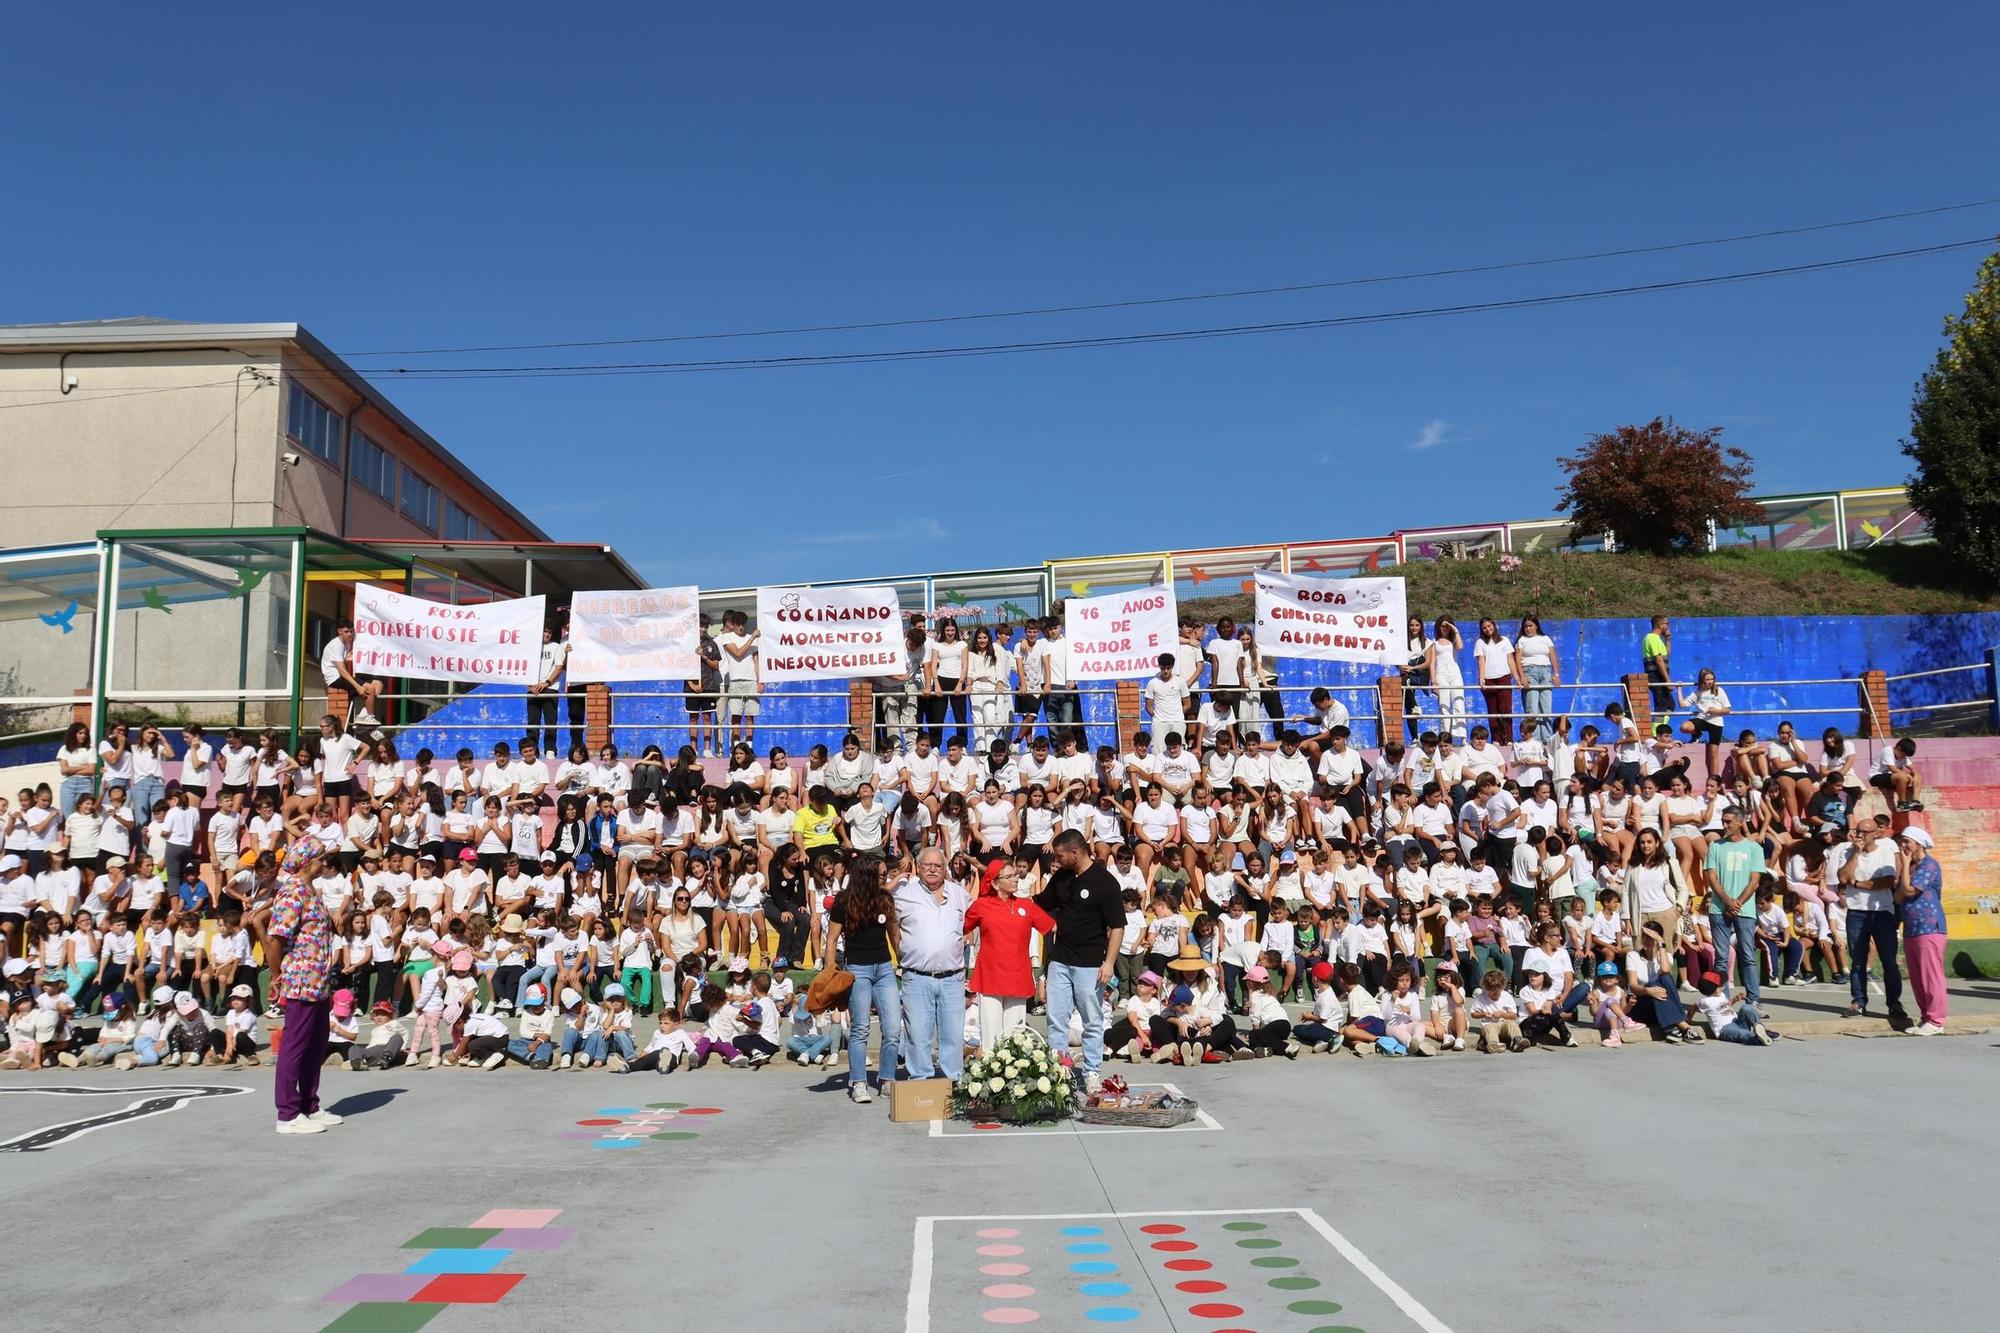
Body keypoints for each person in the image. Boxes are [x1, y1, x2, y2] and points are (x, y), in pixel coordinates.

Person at [1033, 829, 1124, 1090]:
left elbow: (1117, 926)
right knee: (1055, 1017)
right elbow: (1039, 904)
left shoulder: (1105, 882)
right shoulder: (1061, 877)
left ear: (1076, 852)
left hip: (1090, 963)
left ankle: (1092, 1071)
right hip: (1060, 959)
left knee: (1092, 1020)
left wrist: (1108, 962)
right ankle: (1058, 1069)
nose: (1057, 860)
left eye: (1061, 855)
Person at [264, 836, 343, 1135]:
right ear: (307, 861)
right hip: (300, 981)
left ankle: (309, 1104)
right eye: (321, 857)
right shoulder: (293, 891)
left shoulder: (311, 890)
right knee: (295, 1046)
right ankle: (287, 1113)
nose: (325, 862)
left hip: (319, 981)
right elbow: (274, 938)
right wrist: (275, 976)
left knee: (315, 1044)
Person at [820, 856, 901, 1104]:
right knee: (861, 1028)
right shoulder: (844, 901)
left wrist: (904, 964)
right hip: (858, 970)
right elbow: (832, 939)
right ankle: (858, 1081)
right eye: (881, 874)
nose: (885, 878)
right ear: (866, 875)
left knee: (893, 1029)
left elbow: (894, 935)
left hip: (885, 969)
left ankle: (887, 1079)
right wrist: (829, 969)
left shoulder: (885, 898)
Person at [894, 847, 970, 1082]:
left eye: (938, 865)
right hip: (917, 977)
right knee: (917, 1034)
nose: (933, 870)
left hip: (952, 978)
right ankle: (920, 1082)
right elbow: (891, 928)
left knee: (953, 1035)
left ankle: (953, 1081)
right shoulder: (904, 894)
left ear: (945, 868)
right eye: (927, 865)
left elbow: (971, 927)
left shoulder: (960, 894)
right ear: (918, 867)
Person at [964, 858, 1053, 1053]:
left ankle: (1014, 1077)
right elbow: (961, 928)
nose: (1016, 879)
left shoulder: (1026, 905)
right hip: (990, 977)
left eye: (1015, 875)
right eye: (1010, 876)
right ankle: (988, 1076)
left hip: (1018, 977)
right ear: (995, 883)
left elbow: (1052, 927)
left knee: (1015, 1034)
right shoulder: (981, 905)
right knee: (991, 1034)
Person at [1836, 819, 1906, 1025]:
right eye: (1858, 831)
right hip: (1856, 912)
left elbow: (1885, 882)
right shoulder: (1849, 852)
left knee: (1889, 961)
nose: (1860, 835)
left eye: (1865, 832)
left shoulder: (1884, 852)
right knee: (1857, 961)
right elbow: (1842, 877)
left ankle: (1894, 1003)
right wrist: (1856, 854)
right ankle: (1858, 1001)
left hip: (1881, 912)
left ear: (1875, 834)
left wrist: (1857, 883)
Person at [1702, 808, 1765, 1007]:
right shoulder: (1715, 846)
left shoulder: (1754, 848)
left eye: (1729, 821)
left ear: (1740, 822)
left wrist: (1737, 902)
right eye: (1723, 821)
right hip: (1719, 910)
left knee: (1747, 955)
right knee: (1721, 957)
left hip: (1745, 911)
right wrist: (1727, 900)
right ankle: (1722, 1000)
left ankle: (1752, 1000)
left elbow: (1755, 880)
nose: (1725, 825)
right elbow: (1711, 877)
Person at [1895, 827, 1947, 1035]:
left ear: (1919, 843)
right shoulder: (1912, 868)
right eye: (1902, 841)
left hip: (1929, 927)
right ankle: (1927, 1017)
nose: (1903, 845)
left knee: (1931, 975)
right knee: (1917, 977)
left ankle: (1936, 1020)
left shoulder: (1929, 865)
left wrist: (1905, 865)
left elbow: (1908, 890)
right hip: (1912, 928)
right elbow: (1898, 898)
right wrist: (1906, 868)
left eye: (1907, 841)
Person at [322, 620, 385, 736]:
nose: (349, 634)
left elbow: (340, 662)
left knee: (378, 684)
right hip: (335, 678)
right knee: (369, 688)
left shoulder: (346, 643)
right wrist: (357, 686)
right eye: (346, 632)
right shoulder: (336, 645)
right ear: (339, 631)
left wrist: (349, 657)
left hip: (342, 676)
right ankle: (371, 725)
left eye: (351, 631)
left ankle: (364, 713)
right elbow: (341, 670)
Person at [527, 622, 567, 758]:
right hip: (533, 689)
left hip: (550, 688)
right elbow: (524, 667)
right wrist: (530, 685)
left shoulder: (556, 647)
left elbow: (559, 667)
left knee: (551, 721)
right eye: (545, 631)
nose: (547, 634)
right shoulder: (530, 647)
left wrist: (547, 682)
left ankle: (550, 750)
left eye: (550, 632)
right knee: (533, 722)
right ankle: (532, 751)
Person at [1641, 615, 1673, 721]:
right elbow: (1659, 661)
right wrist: (1667, 680)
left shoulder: (1658, 639)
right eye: (1666, 624)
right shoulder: (1652, 638)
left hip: (1660, 676)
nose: (1668, 626)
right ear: (1659, 625)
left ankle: (1662, 730)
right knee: (1661, 707)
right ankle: (1656, 734)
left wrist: (1667, 640)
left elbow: (1666, 656)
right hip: (1656, 676)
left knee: (1669, 705)